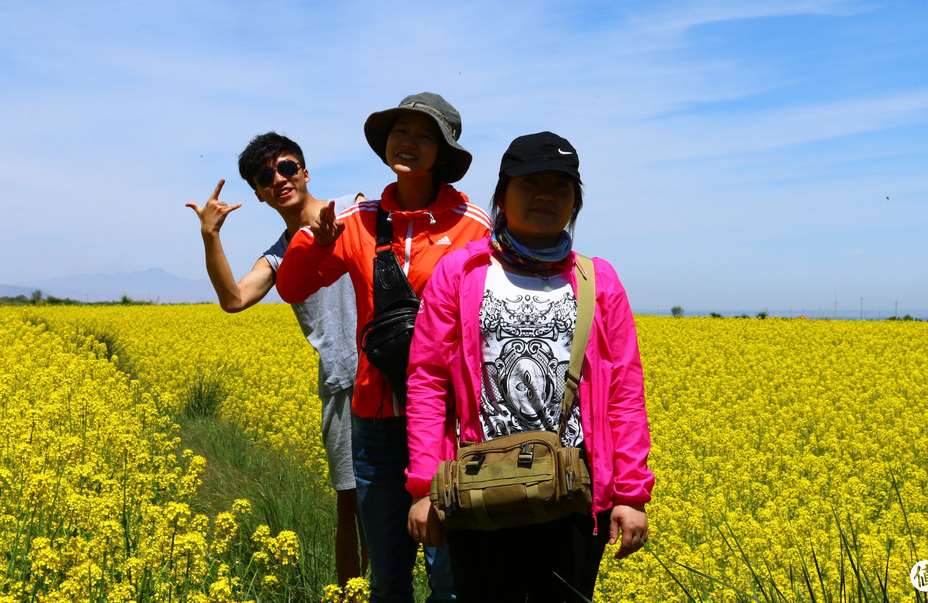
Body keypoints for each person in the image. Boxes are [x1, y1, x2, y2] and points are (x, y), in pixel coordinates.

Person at [404, 131, 654, 603]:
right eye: (529, 182)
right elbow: (428, 384)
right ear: (501, 195)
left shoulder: (599, 280)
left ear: (576, 202)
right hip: (482, 486)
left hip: (574, 493)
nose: (544, 194)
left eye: (560, 186)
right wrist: (423, 487)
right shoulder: (459, 272)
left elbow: (624, 391)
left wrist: (631, 494)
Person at [276, 93, 491, 603]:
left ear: (443, 152)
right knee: (388, 577)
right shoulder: (356, 219)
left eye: (423, 134)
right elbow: (292, 286)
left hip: (447, 421)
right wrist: (317, 242)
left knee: (450, 577)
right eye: (400, 132)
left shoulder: (474, 224)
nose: (407, 142)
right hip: (375, 421)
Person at [185, 132, 366, 589]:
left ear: (304, 171)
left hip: (399, 376)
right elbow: (233, 298)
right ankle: (353, 598)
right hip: (342, 385)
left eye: (286, 168)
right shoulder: (279, 256)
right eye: (266, 177)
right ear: (260, 195)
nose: (279, 179)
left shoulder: (355, 208)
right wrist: (210, 236)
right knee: (351, 510)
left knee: (428, 497)